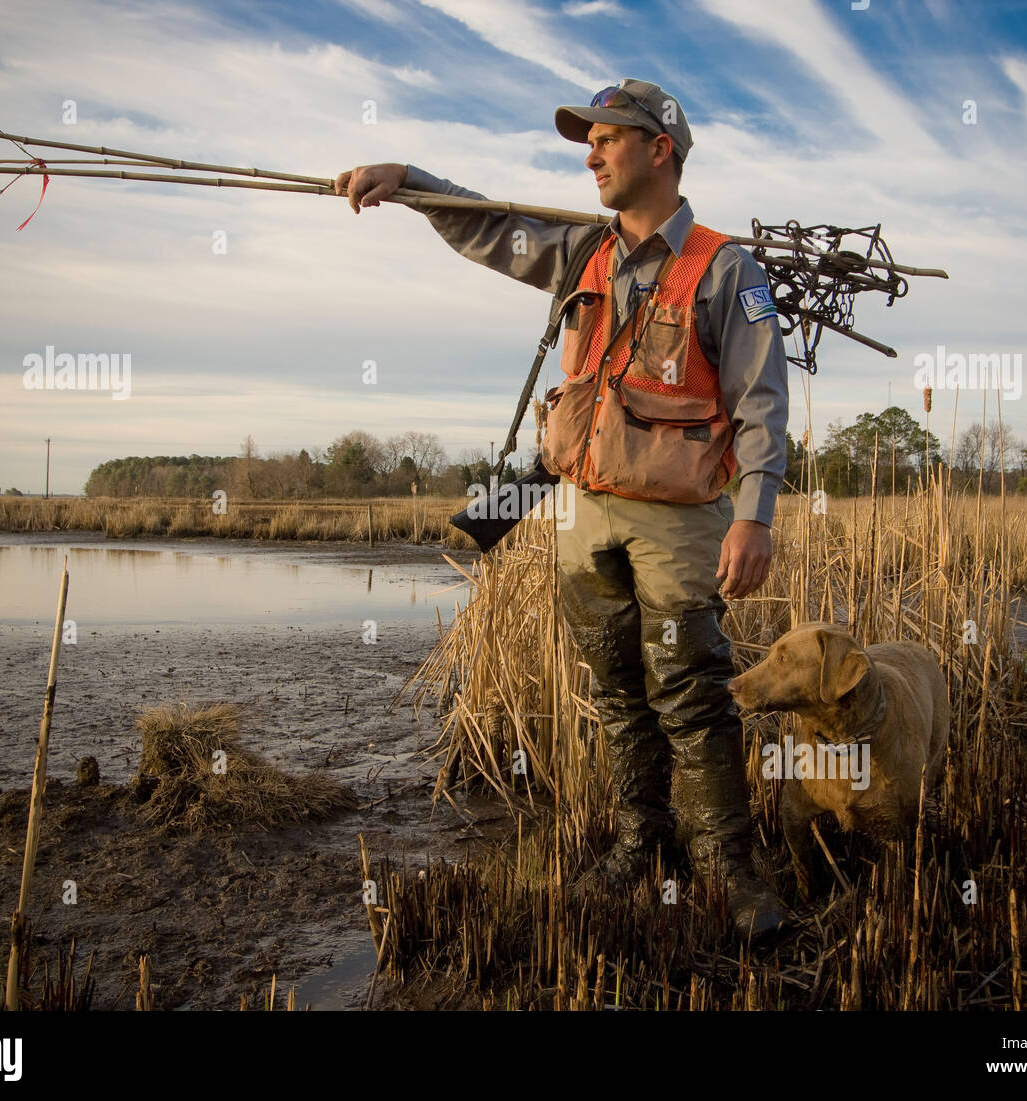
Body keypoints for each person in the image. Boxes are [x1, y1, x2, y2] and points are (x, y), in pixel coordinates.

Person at [337, 78, 789, 937]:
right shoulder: (579, 251)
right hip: (582, 511)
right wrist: (407, 178)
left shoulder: (730, 269)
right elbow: (484, 224)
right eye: (586, 140)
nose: (589, 152)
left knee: (691, 688)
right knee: (620, 691)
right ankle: (640, 841)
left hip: (677, 517)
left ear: (660, 148)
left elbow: (762, 399)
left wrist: (755, 514)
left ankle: (732, 872)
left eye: (608, 137)